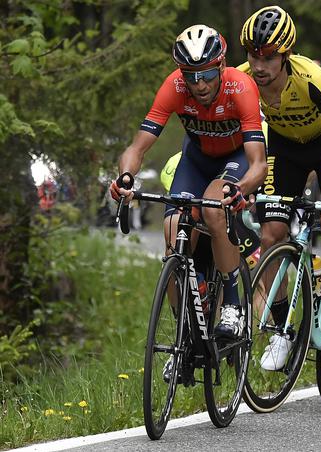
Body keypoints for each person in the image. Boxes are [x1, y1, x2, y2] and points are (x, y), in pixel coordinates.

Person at [109, 25, 267, 345]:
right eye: (191, 76)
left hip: (236, 158)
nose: (200, 84)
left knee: (212, 209)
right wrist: (126, 176)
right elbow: (137, 147)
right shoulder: (175, 86)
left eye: (207, 74)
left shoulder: (242, 87)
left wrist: (242, 189)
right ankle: (185, 334)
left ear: (221, 65)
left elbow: (260, 163)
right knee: (172, 237)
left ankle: (233, 307)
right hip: (196, 159)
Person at [238, 5, 321, 370]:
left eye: (268, 57)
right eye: (254, 55)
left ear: (286, 55)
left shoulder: (312, 78)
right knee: (271, 235)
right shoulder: (244, 80)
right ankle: (282, 329)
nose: (260, 65)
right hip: (283, 149)